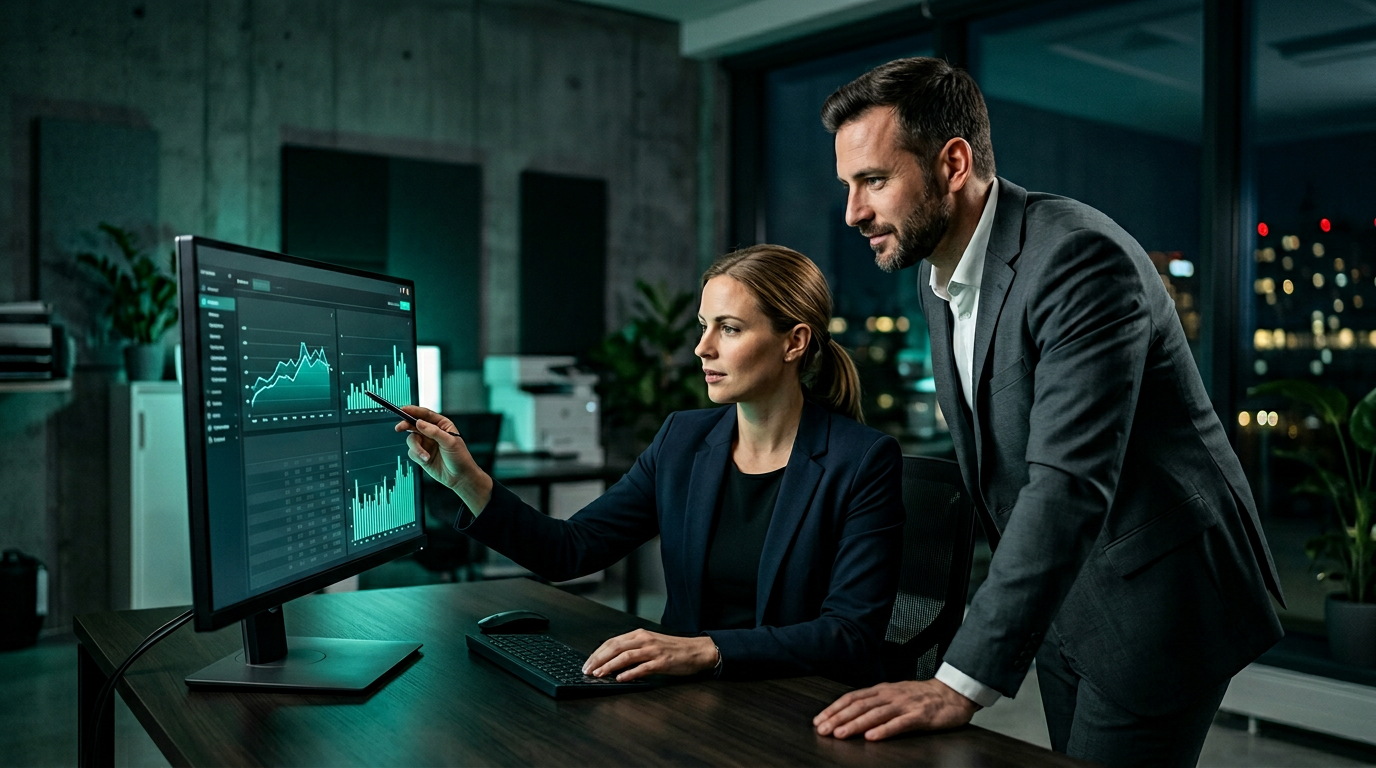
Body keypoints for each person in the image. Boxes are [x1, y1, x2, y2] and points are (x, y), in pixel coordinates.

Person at [810, 57, 1284, 767]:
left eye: (873, 181)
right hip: (1068, 590)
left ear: (953, 163)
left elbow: (1066, 482)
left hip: (1159, 593)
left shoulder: (1077, 260)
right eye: (849, 186)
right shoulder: (938, 279)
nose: (853, 213)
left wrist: (957, 683)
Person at [398, 245, 905, 685]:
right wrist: (469, 481)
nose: (702, 348)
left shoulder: (861, 461)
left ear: (794, 342)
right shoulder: (682, 441)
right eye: (704, 326)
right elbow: (570, 550)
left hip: (800, 703)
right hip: (691, 699)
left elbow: (849, 635)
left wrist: (706, 650)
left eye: (729, 329)